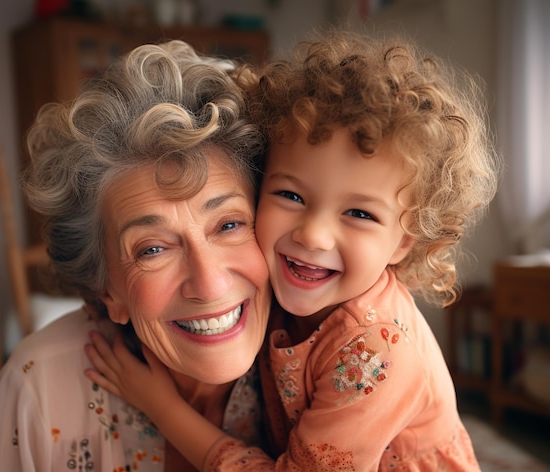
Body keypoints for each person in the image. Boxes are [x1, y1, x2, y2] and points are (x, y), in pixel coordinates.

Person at [85, 29, 500, 470]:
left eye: (360, 214)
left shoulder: (377, 351)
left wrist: (164, 409)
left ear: (403, 242)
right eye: (292, 196)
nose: (314, 236)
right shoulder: (281, 286)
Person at [0, 39, 272, 472]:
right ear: (107, 288)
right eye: (152, 249)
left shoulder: (337, 355)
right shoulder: (38, 387)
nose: (210, 285)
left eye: (229, 225)